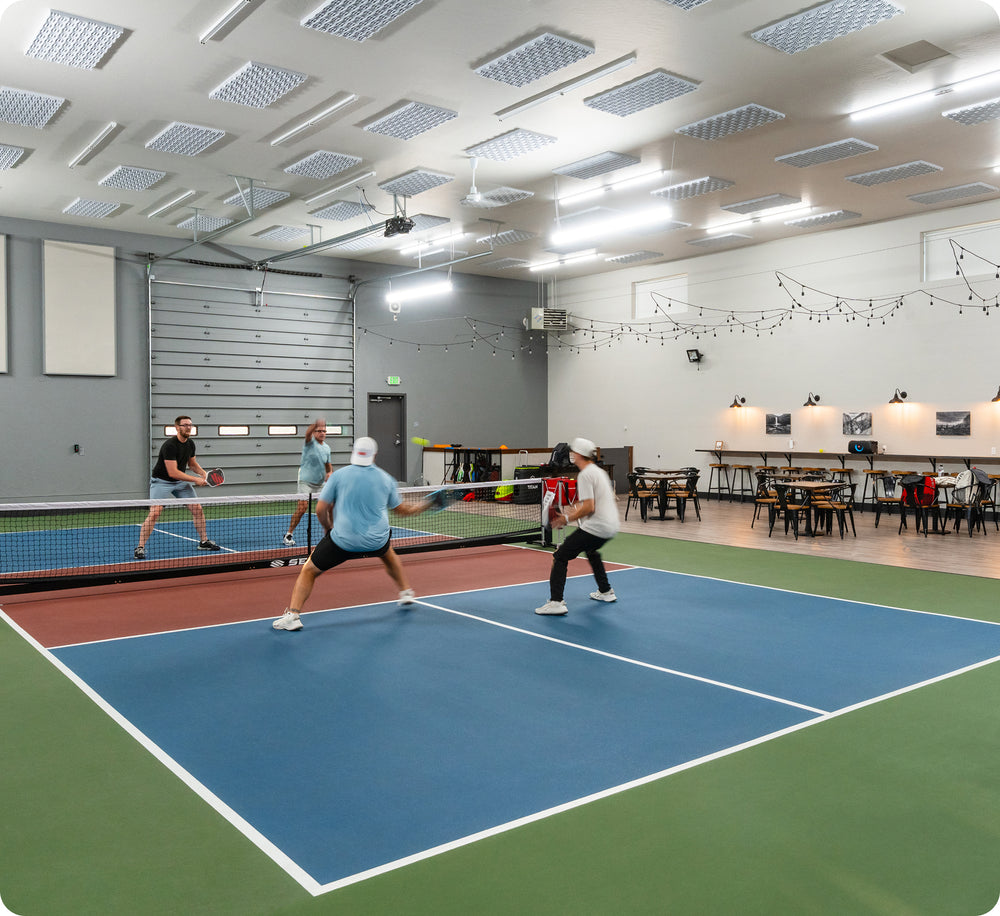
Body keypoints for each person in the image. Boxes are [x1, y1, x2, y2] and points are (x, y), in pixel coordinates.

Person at [272, 436, 431, 631]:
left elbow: (321, 509)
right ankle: (406, 592)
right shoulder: (386, 478)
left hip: (343, 541)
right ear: (375, 454)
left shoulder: (339, 476)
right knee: (388, 554)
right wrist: (423, 505)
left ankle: (293, 616)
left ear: (354, 452)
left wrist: (327, 528)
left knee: (309, 570)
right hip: (377, 540)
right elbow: (403, 511)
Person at [535, 437, 619, 616]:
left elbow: (589, 507)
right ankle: (605, 591)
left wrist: (566, 518)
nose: (571, 454)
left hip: (597, 527)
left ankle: (556, 602)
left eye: (573, 452)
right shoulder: (598, 472)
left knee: (560, 556)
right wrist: (575, 511)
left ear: (579, 454)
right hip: (610, 527)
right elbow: (591, 504)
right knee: (591, 550)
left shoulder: (586, 474)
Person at [134, 415, 222, 559]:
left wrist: (203, 474)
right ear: (177, 427)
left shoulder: (190, 444)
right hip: (161, 482)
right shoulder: (169, 445)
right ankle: (140, 547)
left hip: (180, 483)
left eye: (190, 425)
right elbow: (173, 472)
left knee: (197, 509)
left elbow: (192, 464)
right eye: (185, 425)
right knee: (155, 513)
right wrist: (195, 480)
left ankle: (204, 542)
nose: (188, 427)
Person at [283, 418, 332, 546]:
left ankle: (330, 535)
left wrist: (329, 473)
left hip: (320, 483)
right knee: (302, 508)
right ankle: (289, 534)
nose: (322, 433)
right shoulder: (309, 443)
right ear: (314, 433)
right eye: (319, 431)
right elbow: (307, 434)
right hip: (305, 481)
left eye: (324, 431)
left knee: (328, 507)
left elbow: (328, 464)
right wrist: (315, 424)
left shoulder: (327, 448)